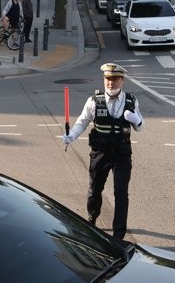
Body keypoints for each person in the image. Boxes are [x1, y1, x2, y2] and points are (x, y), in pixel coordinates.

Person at [61, 63, 144, 240]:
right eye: (108, 79)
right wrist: (72, 136)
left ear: (122, 80)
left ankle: (118, 234)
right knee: (94, 189)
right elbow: (82, 122)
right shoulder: (93, 101)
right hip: (100, 152)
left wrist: (136, 120)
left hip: (122, 153)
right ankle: (92, 216)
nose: (110, 83)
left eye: (114, 79)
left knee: (121, 193)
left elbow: (140, 127)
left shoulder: (131, 100)